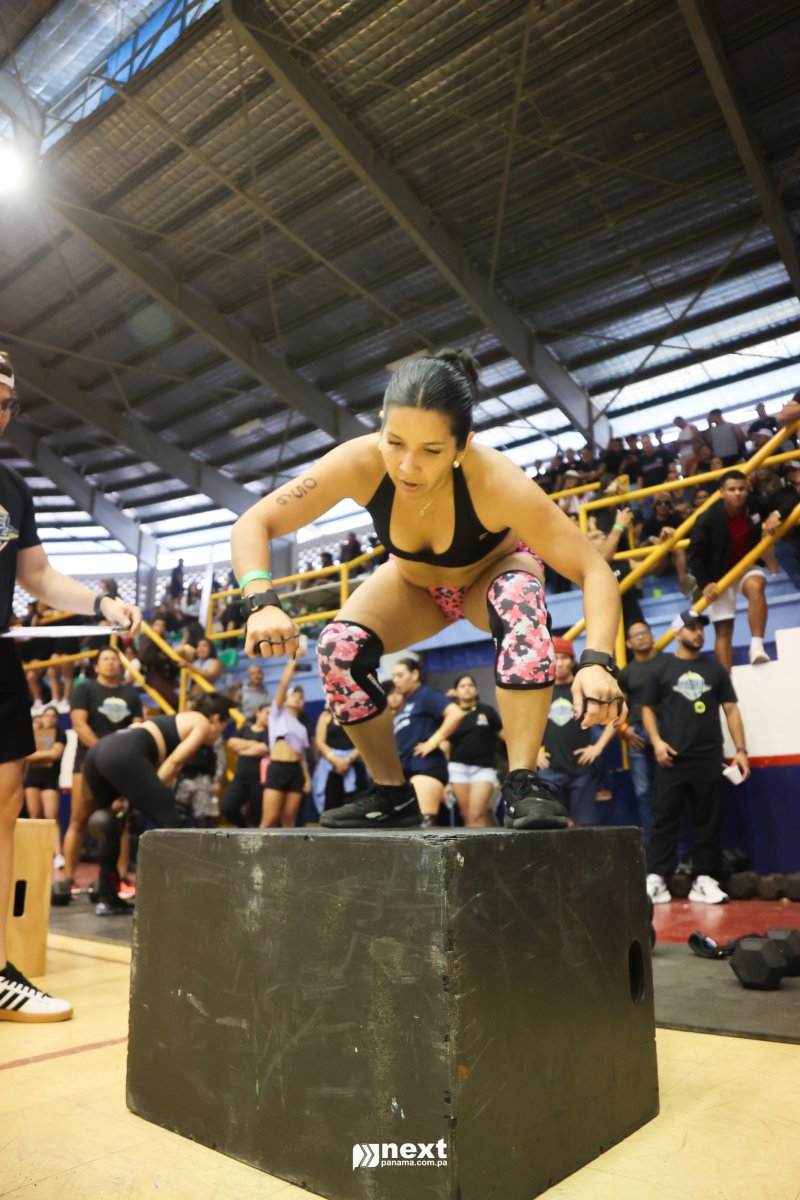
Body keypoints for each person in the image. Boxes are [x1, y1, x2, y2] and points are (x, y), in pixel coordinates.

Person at [231, 346, 625, 832]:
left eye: (432, 451)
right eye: (395, 442)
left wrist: (597, 660)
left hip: (491, 576)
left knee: (518, 602)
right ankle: (391, 793)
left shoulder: (496, 479)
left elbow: (593, 569)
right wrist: (261, 600)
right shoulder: (359, 460)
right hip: (415, 585)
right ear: (381, 425)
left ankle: (522, 782)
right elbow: (254, 522)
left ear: (463, 446)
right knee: (337, 648)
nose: (407, 466)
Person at [0, 348, 141, 1021]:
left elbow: (37, 576)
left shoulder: (11, 487)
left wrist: (102, 603)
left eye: (5, 405)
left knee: (3, 812)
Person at [83, 695, 231, 914]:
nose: (219, 736)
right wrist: (140, 795)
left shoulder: (174, 720)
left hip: (99, 751)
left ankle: (107, 898)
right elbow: (174, 762)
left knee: (110, 825)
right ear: (216, 719)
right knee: (170, 822)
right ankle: (171, 901)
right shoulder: (200, 721)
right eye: (222, 729)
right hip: (125, 752)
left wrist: (133, 794)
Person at [642, 609, 749, 904]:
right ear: (678, 633)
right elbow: (647, 708)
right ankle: (657, 879)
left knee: (708, 821)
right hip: (671, 758)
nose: (698, 632)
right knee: (664, 820)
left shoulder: (715, 670)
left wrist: (741, 751)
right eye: (691, 628)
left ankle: (704, 880)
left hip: (708, 757)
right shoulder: (661, 668)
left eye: (701, 628)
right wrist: (657, 742)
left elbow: (731, 709)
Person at [64, 646, 144, 890]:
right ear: (96, 666)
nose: (111, 663)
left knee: (120, 822)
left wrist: (120, 754)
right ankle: (67, 880)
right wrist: (104, 752)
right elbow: (79, 724)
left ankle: (119, 879)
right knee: (79, 820)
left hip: (119, 764)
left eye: (114, 659)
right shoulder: (84, 689)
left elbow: (138, 726)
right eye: (105, 659)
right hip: (88, 761)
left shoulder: (131, 693)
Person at [687, 470, 771, 668]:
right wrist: (705, 583)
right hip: (717, 577)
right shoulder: (707, 519)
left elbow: (783, 500)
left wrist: (776, 515)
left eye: (742, 488)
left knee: (757, 585)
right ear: (722, 492)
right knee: (723, 629)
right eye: (732, 489)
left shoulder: (756, 505)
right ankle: (726, 681)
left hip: (746, 567)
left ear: (747, 489)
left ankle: (757, 647)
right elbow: (695, 555)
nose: (737, 493)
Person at [536, 639, 618, 825]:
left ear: (572, 660)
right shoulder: (542, 691)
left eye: (564, 657)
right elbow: (525, 724)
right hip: (550, 771)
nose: (559, 663)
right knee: (551, 827)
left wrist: (598, 747)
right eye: (555, 657)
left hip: (583, 771)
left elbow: (616, 715)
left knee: (584, 827)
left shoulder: (585, 688)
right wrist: (534, 754)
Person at [389, 658, 465, 826]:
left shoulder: (425, 694)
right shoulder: (407, 703)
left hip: (426, 767)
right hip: (407, 770)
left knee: (423, 826)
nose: (396, 680)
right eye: (394, 676)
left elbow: (455, 714)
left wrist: (433, 742)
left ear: (415, 674)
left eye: (400, 675)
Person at [617, 622, 666, 844]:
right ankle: (651, 848)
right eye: (635, 635)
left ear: (653, 636)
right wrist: (623, 730)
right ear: (628, 643)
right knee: (643, 794)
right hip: (637, 737)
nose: (641, 637)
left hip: (668, 733)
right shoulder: (627, 672)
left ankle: (682, 852)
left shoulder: (669, 664)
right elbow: (618, 708)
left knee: (673, 793)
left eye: (644, 632)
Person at [443, 673, 504, 828]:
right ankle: (495, 841)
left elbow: (504, 735)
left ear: (476, 689)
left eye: (470, 685)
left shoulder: (487, 711)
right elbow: (445, 744)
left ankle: (494, 843)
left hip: (484, 768)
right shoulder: (450, 715)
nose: (467, 688)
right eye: (462, 686)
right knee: (468, 816)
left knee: (478, 815)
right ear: (456, 691)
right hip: (457, 768)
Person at [262, 657, 311, 829]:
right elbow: (283, 685)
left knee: (289, 821)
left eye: (301, 697)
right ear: (285, 700)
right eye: (294, 695)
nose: (298, 698)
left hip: (296, 772)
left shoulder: (302, 729)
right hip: (277, 768)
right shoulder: (276, 715)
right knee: (269, 820)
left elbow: (302, 756)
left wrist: (307, 779)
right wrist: (292, 664)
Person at [22, 705, 67, 866]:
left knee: (51, 816)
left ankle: (58, 854)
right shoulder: (33, 732)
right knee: (34, 816)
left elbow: (55, 754)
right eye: (47, 715)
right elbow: (25, 756)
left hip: (50, 779)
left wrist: (35, 755)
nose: (50, 718)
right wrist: (42, 755)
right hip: (32, 778)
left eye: (53, 716)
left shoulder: (60, 733)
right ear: (41, 717)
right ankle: (35, 852)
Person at [221, 701, 271, 827]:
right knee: (228, 807)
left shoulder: (270, 733)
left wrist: (241, 750)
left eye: (273, 715)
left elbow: (263, 749)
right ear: (257, 712)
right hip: (240, 778)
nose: (269, 717)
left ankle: (252, 833)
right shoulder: (245, 729)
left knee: (256, 816)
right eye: (267, 713)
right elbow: (231, 743)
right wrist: (254, 744)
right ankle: (244, 828)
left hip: (259, 781)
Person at [312, 707, 367, 816]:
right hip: (331, 768)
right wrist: (335, 760)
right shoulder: (325, 716)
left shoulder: (358, 713)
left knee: (357, 806)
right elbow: (320, 741)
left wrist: (349, 760)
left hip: (355, 767)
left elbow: (364, 740)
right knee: (331, 808)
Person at [763, 461, 800, 588]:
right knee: (782, 548)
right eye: (788, 472)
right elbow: (787, 502)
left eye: (794, 470)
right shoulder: (788, 492)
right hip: (796, 537)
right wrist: (776, 514)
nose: (791, 474)